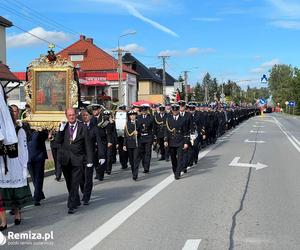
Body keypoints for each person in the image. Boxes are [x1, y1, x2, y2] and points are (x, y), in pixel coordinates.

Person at [0, 105, 33, 230]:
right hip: (3, 163)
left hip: (15, 162)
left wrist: (24, 165)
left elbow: (23, 149)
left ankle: (17, 212)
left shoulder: (19, 130)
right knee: (6, 190)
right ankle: (5, 218)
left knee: (16, 189)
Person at [56, 108, 93, 214]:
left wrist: (90, 159)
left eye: (73, 115)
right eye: (69, 115)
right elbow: (57, 141)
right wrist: (61, 130)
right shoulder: (64, 126)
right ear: (66, 116)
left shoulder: (83, 127)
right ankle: (75, 200)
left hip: (78, 159)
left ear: (76, 115)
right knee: (69, 182)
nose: (71, 117)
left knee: (75, 182)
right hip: (65, 160)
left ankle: (71, 204)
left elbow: (88, 145)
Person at [164, 104, 189, 180]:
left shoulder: (183, 119)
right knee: (173, 158)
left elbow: (185, 132)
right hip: (171, 141)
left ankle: (177, 173)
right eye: (173, 110)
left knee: (180, 158)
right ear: (172, 110)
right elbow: (166, 131)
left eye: (176, 110)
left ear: (178, 110)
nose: (175, 112)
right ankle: (175, 171)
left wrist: (186, 142)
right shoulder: (168, 119)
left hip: (180, 141)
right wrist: (165, 140)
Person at [137, 104, 156, 173]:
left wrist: (154, 139)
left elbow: (154, 128)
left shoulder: (151, 117)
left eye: (145, 110)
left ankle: (146, 167)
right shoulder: (138, 117)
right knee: (141, 153)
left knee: (148, 153)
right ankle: (144, 164)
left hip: (148, 137)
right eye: (142, 110)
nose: (144, 111)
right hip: (140, 137)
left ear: (147, 110)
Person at [123, 110, 140, 180]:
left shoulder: (138, 123)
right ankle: (133, 171)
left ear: (136, 116)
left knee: (136, 159)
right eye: (131, 115)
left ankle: (135, 174)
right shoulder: (127, 124)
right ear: (129, 116)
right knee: (131, 160)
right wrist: (124, 145)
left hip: (136, 144)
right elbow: (125, 135)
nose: (132, 116)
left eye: (134, 115)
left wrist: (138, 132)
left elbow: (142, 132)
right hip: (129, 144)